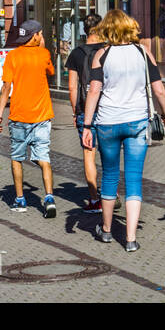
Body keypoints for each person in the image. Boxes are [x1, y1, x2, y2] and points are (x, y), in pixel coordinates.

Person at [81, 10, 165, 251]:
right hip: (136, 122)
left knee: (109, 176)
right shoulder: (143, 52)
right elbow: (159, 89)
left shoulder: (102, 54)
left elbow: (94, 91)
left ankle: (107, 230)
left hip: (107, 122)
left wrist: (87, 126)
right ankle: (130, 239)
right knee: (133, 180)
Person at [0, 19, 57, 217]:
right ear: (35, 36)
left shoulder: (12, 57)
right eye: (41, 34)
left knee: (17, 159)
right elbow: (51, 73)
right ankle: (49, 197)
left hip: (19, 116)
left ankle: (20, 200)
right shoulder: (44, 54)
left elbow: (5, 88)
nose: (42, 37)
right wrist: (43, 49)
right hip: (42, 116)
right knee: (44, 158)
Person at [65, 13, 105, 212]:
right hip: (107, 109)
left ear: (85, 30)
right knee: (109, 155)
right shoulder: (108, 51)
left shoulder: (76, 53)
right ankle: (109, 194)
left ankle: (95, 199)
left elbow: (72, 87)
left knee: (89, 155)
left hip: (84, 110)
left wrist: (75, 111)